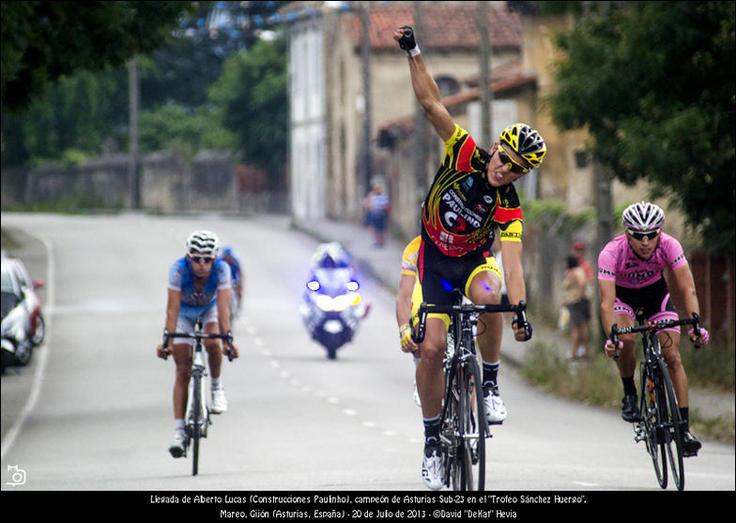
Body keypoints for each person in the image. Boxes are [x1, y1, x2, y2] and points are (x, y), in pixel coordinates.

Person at [393, 25, 544, 490]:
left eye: (516, 168)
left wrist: (519, 310)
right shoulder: (462, 152)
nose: (505, 168)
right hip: (436, 261)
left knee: (493, 291)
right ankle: (432, 443)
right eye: (505, 157)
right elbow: (430, 104)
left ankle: (492, 384)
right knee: (434, 348)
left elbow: (513, 263)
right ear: (496, 146)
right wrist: (415, 52)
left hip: (473, 261)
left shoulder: (509, 205)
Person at [598, 201, 710, 457]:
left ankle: (683, 429)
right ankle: (629, 391)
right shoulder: (611, 252)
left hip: (656, 296)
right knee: (626, 341)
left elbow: (687, 288)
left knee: (672, 357)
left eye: (651, 235)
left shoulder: (670, 245)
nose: (645, 241)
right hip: (623, 300)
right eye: (638, 235)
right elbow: (606, 303)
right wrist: (612, 337)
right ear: (627, 233)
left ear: (660, 232)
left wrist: (695, 324)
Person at [156, 230, 240, 458]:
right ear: (188, 257)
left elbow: (223, 308)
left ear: (215, 259)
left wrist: (228, 339)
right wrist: (168, 340)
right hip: (184, 313)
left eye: (207, 259)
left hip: (210, 309)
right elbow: (172, 309)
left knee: (213, 342)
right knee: (182, 369)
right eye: (196, 258)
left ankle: (216, 387)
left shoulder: (223, 269)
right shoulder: (177, 270)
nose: (202, 264)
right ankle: (179, 432)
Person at [563, 256, 590, 360]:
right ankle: (583, 351)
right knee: (580, 328)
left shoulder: (575, 272)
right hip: (576, 302)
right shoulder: (577, 271)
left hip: (576, 303)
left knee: (577, 328)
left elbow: (582, 283)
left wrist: (578, 296)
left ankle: (575, 352)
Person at [363, 180, 391, 247]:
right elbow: (366, 203)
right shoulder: (371, 195)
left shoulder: (383, 196)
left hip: (381, 213)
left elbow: (386, 205)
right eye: (375, 188)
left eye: (378, 188)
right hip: (373, 213)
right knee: (373, 227)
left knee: (381, 228)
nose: (377, 190)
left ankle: (381, 241)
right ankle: (376, 241)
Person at [219, 246, 244, 319]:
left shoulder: (235, 262)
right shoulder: (219, 261)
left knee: (239, 290)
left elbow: (239, 275)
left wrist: (239, 284)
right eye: (226, 258)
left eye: (229, 258)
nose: (227, 260)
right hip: (222, 280)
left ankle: (238, 306)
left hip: (232, 280)